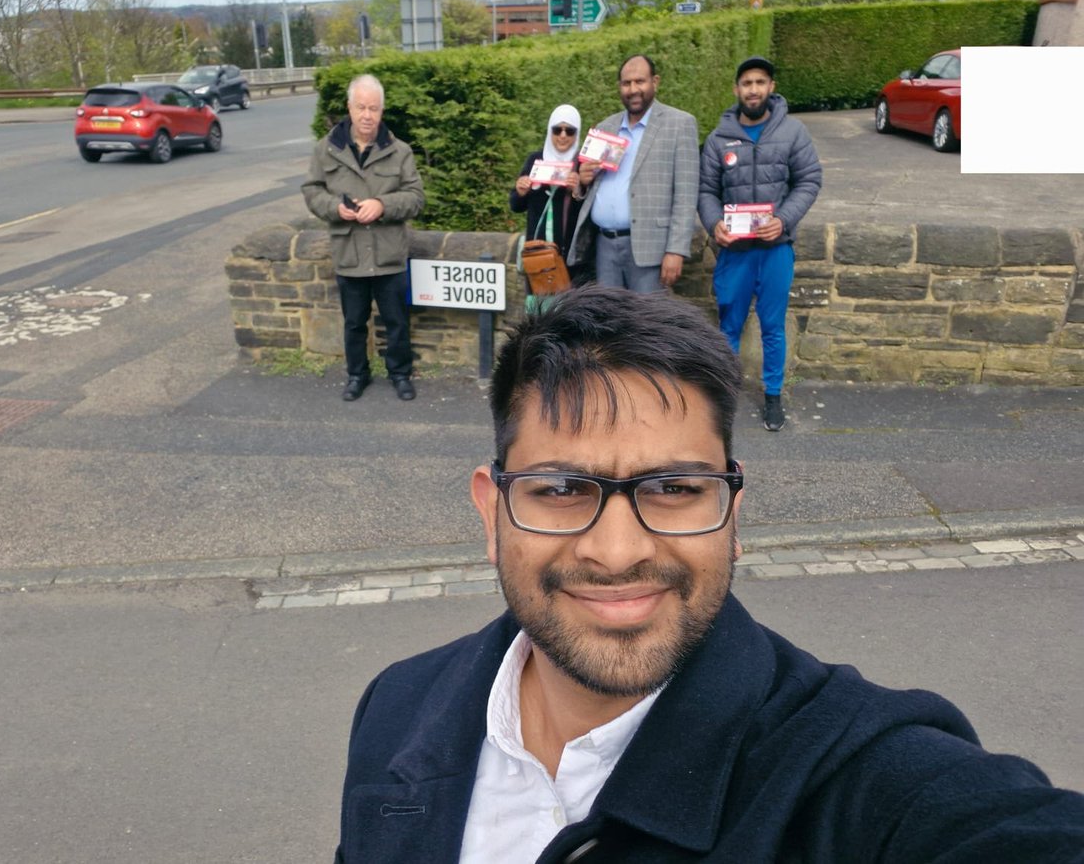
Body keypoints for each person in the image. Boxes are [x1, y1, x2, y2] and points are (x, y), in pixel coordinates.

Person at [334, 286, 1084, 863]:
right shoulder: (397, 705)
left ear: (732, 506)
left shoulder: (858, 772)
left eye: (674, 488)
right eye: (561, 490)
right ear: (490, 511)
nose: (618, 551)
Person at [698, 56, 822, 431]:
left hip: (774, 250)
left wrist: (783, 220)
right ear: (737, 90)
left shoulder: (793, 132)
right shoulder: (719, 138)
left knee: (772, 326)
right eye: (747, 83)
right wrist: (713, 223)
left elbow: (809, 180)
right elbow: (706, 190)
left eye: (760, 82)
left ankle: (772, 396)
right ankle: (725, 396)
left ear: (771, 87)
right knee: (728, 326)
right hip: (734, 252)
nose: (753, 89)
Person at [301, 73, 425, 402]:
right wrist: (333, 208)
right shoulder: (326, 150)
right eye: (361, 107)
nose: (367, 115)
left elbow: (415, 197)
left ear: (382, 111)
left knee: (397, 322)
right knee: (354, 323)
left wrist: (382, 204)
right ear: (349, 108)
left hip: (388, 255)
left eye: (374, 108)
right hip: (349, 254)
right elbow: (312, 191)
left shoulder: (400, 152)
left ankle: (400, 373)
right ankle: (357, 375)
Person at [567, 54, 699, 294]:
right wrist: (583, 182)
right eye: (627, 83)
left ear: (655, 82)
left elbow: (686, 194)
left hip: (651, 248)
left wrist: (676, 250)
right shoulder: (605, 127)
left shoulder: (680, 124)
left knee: (649, 326)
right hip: (604, 245)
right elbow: (587, 187)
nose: (633, 89)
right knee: (610, 324)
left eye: (640, 81)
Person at [510, 105, 587, 302]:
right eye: (557, 130)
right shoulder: (535, 160)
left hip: (571, 258)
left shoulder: (582, 164)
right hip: (538, 254)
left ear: (577, 133)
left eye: (569, 131)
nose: (562, 136)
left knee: (571, 314)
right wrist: (520, 192)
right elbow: (516, 206)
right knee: (539, 316)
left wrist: (577, 191)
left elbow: (590, 213)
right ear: (549, 131)